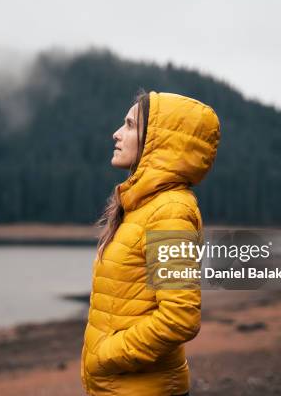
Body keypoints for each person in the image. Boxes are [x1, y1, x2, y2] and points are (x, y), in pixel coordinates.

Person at [80, 90, 221, 395]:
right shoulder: (143, 207)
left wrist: (105, 357)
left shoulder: (170, 211)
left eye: (130, 125)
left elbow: (179, 319)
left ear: (159, 141)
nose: (116, 134)